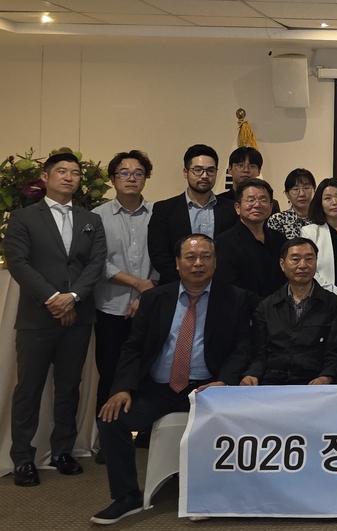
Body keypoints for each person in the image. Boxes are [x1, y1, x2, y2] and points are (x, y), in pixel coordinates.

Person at [91, 234, 254, 524]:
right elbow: (133, 348)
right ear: (177, 263)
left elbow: (243, 347)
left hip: (206, 389)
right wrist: (123, 388)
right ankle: (126, 496)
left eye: (205, 257)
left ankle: (212, 494)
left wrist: (224, 381)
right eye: (190, 257)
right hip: (157, 388)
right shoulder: (154, 299)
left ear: (215, 262)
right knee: (112, 420)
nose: (198, 263)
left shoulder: (236, 299)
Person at [6, 151, 107, 487]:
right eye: (61, 171)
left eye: (75, 172)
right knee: (29, 389)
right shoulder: (23, 217)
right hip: (37, 318)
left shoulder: (90, 219)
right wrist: (53, 299)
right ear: (46, 177)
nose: (68, 177)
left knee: (68, 388)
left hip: (78, 317)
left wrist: (73, 297)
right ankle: (23, 457)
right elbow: (18, 262)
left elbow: (96, 263)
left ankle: (63, 450)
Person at [90, 150, 157, 462]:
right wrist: (136, 284)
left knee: (150, 371)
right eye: (124, 173)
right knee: (110, 374)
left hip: (150, 308)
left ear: (146, 178)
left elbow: (164, 259)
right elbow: (97, 262)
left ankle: (145, 434)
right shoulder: (97, 216)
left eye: (138, 173)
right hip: (110, 308)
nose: (132, 178)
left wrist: (147, 293)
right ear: (113, 178)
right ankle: (108, 440)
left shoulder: (158, 214)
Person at [240, 237, 337, 386]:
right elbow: (259, 354)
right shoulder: (266, 307)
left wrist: (327, 377)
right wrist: (252, 375)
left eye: (309, 259)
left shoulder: (334, 305)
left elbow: (335, 351)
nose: (303, 265)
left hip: (315, 383)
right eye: (295, 259)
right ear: (282, 264)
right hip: (272, 382)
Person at [147, 144, 237, 284]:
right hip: (176, 287)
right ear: (185, 172)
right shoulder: (164, 210)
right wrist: (188, 283)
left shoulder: (231, 209)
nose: (204, 176)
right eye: (198, 170)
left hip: (221, 287)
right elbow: (159, 254)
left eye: (210, 170)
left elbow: (234, 252)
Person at [214, 178, 287, 299]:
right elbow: (228, 286)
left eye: (263, 200)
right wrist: (265, 307)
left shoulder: (280, 239)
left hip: (280, 308)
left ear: (270, 207)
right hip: (242, 308)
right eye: (250, 200)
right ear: (237, 207)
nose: (257, 205)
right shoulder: (224, 242)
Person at [300, 178, 337, 297]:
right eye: (327, 198)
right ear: (320, 203)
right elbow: (310, 270)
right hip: (324, 297)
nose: (334, 202)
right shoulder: (309, 232)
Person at [216, 146, 281, 214]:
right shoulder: (218, 202)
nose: (246, 170)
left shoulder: (269, 205)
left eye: (252, 166)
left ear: (259, 171)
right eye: (240, 165)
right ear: (229, 169)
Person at [266, 168, 316, 239]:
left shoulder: (321, 219)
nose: (302, 194)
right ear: (287, 194)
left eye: (306, 188)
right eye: (296, 189)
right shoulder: (277, 220)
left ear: (314, 190)